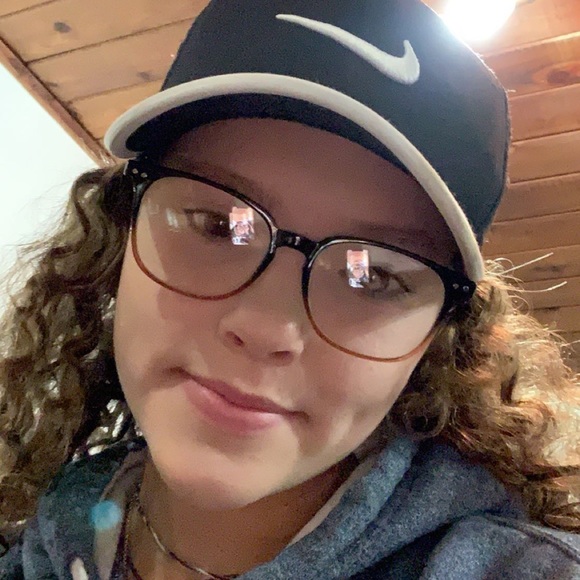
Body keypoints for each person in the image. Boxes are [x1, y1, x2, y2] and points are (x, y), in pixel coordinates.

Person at [1, 0, 579, 578]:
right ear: (121, 233)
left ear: (435, 339)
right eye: (219, 225)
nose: (264, 329)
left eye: (371, 276)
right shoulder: (33, 544)